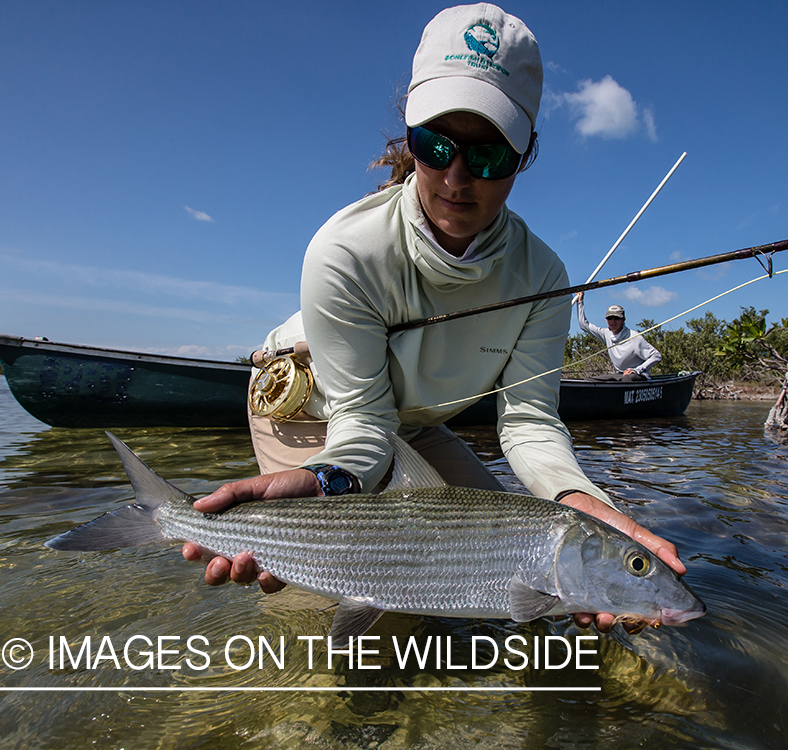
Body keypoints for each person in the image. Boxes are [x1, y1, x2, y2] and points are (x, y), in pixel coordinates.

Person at [183, 3, 685, 634]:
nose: (455, 177)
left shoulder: (544, 277)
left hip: (411, 423)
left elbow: (529, 424)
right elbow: (363, 424)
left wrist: (584, 504)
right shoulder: (345, 252)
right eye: (436, 145)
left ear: (524, 152)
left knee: (509, 580)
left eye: (488, 156)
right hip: (315, 411)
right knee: (358, 607)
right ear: (410, 134)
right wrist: (328, 483)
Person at [575, 292, 662, 381]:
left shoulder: (634, 337)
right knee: (589, 381)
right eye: (610, 318)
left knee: (627, 379)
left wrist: (637, 370)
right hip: (620, 375)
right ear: (606, 320)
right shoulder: (606, 334)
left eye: (616, 318)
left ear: (623, 320)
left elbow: (656, 356)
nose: (613, 321)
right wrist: (580, 302)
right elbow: (584, 325)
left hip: (639, 375)